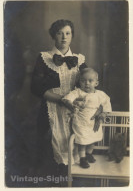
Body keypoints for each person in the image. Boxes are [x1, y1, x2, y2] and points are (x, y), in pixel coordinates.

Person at [31, 19, 87, 174]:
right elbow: (35, 87)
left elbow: (89, 85)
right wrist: (61, 99)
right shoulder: (44, 58)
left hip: (73, 111)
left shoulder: (79, 60)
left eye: (67, 33)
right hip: (49, 110)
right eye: (59, 33)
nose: (64, 37)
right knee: (47, 154)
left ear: (72, 36)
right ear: (53, 36)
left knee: (75, 148)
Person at [62, 68, 112, 168]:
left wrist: (104, 114)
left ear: (96, 83)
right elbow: (68, 98)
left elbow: (106, 103)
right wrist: (70, 103)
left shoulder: (100, 94)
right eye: (83, 81)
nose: (87, 83)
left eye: (90, 81)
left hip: (94, 122)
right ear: (79, 82)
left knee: (93, 139)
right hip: (81, 122)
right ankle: (82, 158)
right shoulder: (78, 92)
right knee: (82, 141)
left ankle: (89, 154)